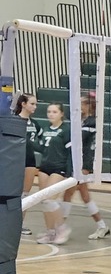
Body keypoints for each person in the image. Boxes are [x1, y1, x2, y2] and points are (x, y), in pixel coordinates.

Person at [63, 93, 109, 240]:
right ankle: (102, 226)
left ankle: (59, 228)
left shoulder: (91, 122)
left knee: (68, 193)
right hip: (80, 161)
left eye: (81, 104)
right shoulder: (84, 121)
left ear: (88, 106)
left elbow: (78, 139)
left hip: (84, 163)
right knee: (85, 196)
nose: (78, 106)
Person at [33, 103, 72, 245]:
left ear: (61, 114)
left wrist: (70, 172)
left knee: (50, 199)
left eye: (54, 112)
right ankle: (50, 232)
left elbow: (70, 153)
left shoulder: (66, 130)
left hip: (59, 168)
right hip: (44, 167)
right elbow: (43, 148)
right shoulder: (45, 128)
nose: (51, 114)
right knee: (44, 202)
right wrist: (29, 141)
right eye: (49, 111)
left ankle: (62, 228)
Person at [16, 93, 40, 236]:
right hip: (14, 160)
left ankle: (21, 224)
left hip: (29, 161)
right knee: (11, 192)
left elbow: (41, 143)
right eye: (32, 103)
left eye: (35, 104)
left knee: (25, 194)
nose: (35, 106)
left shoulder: (35, 124)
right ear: (23, 104)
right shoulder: (13, 120)